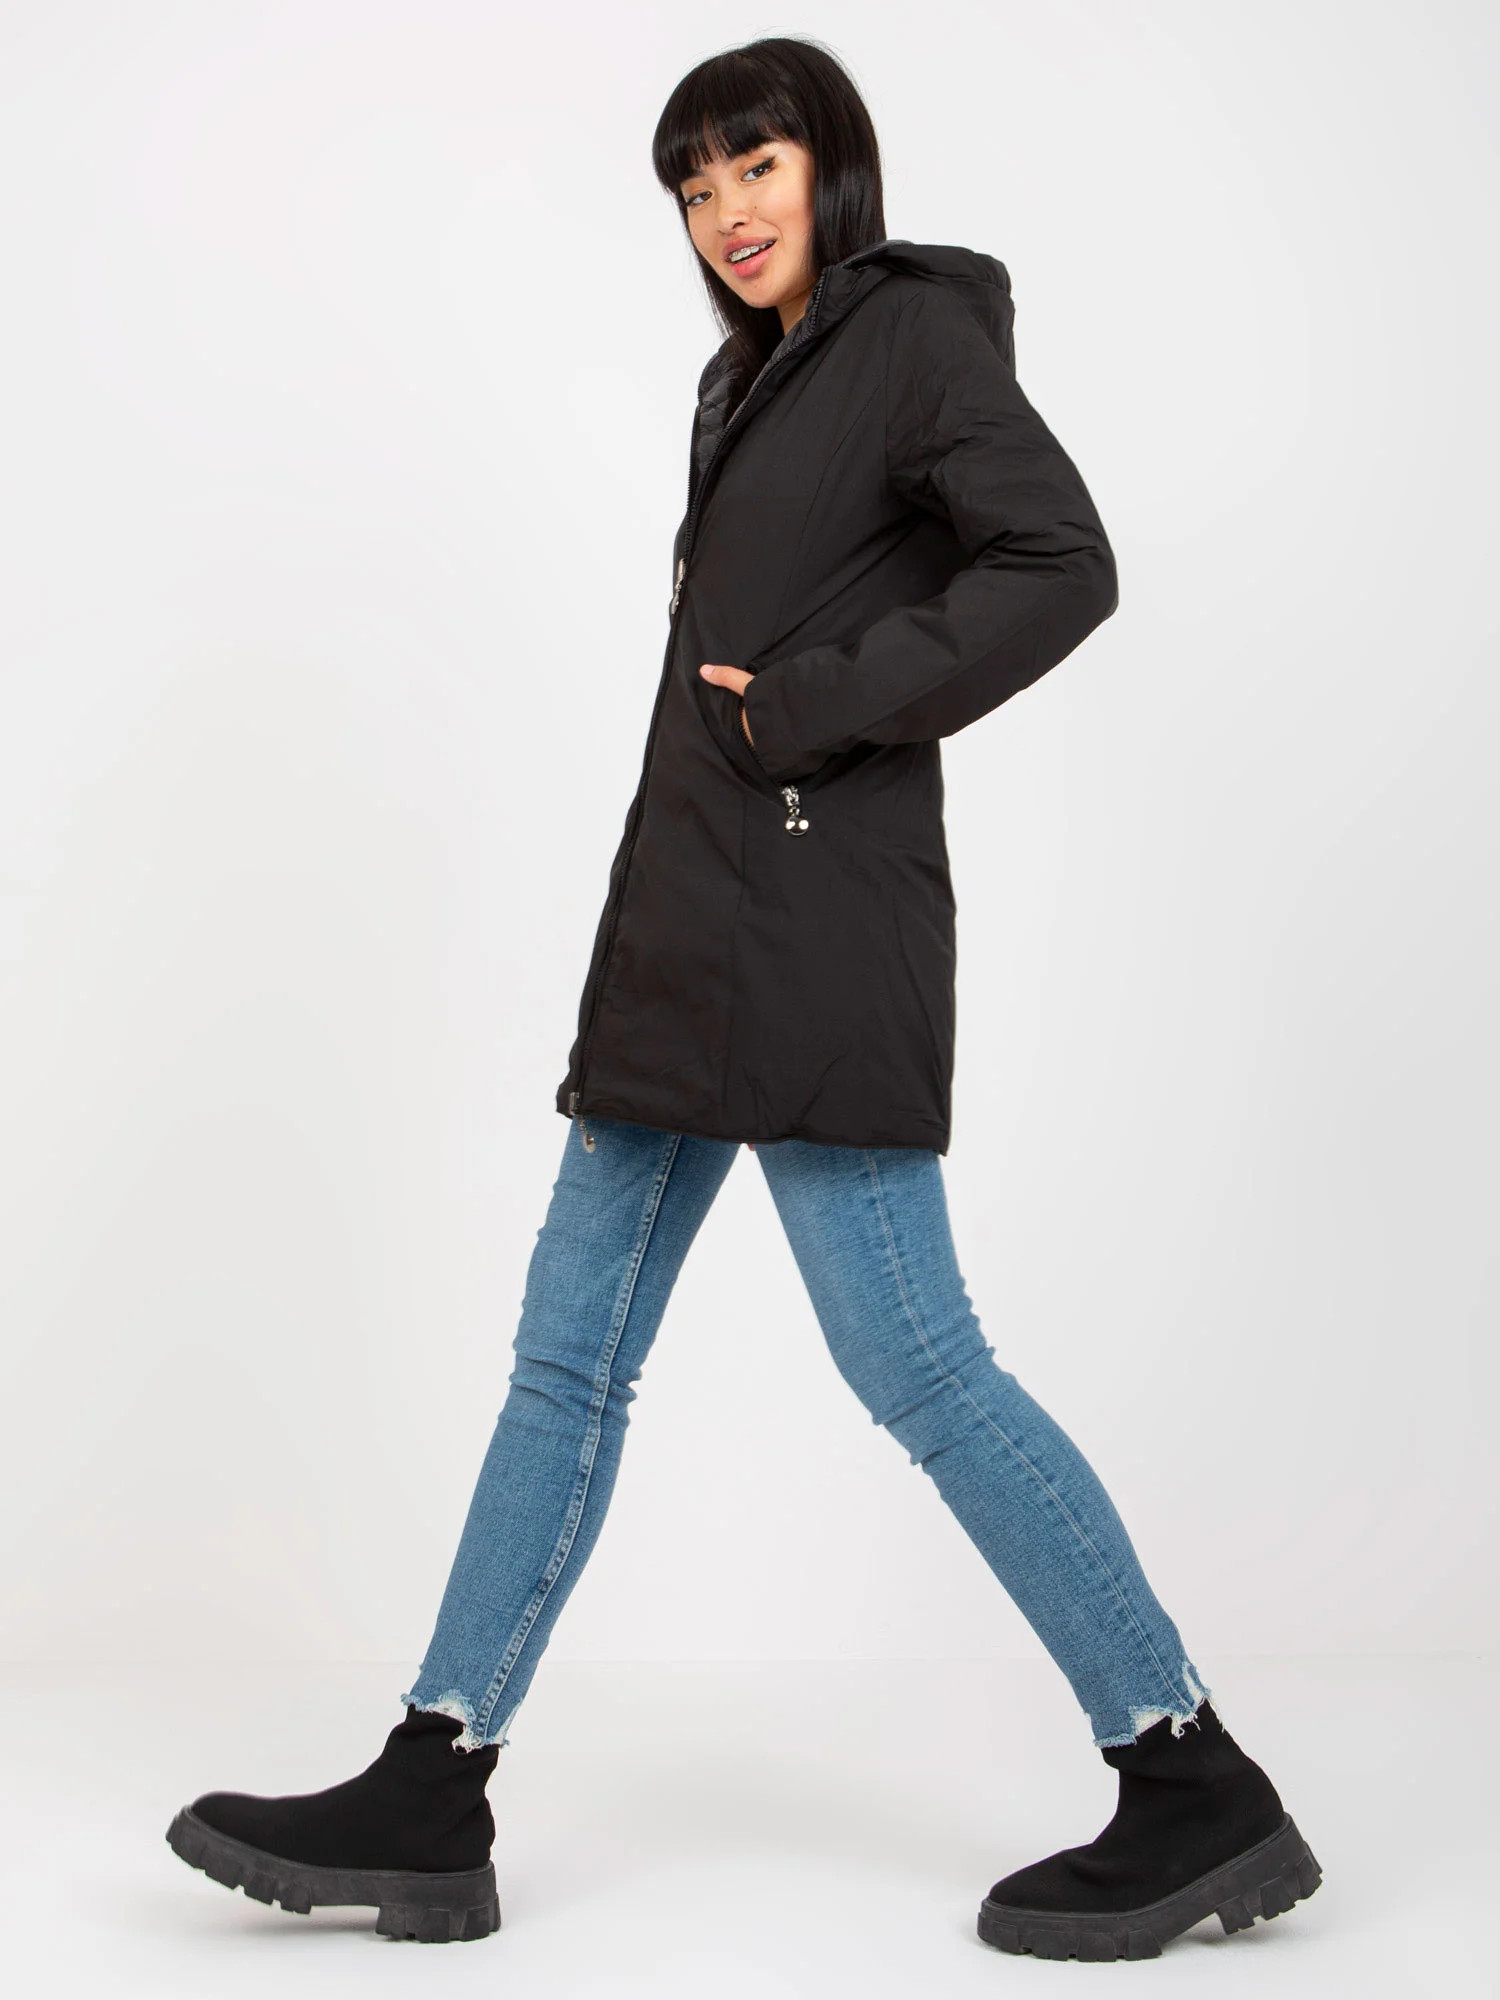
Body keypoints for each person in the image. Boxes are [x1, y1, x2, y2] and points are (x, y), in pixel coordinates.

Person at [165, 35, 1322, 1962]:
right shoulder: (748, 381)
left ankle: (1193, 1776)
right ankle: (436, 1778)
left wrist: (811, 708)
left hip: (808, 939)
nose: (726, 210)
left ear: (831, 163)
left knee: (917, 1362)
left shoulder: (911, 337)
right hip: (686, 941)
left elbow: (1062, 563)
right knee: (566, 1356)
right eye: (694, 187)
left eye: (755, 164)